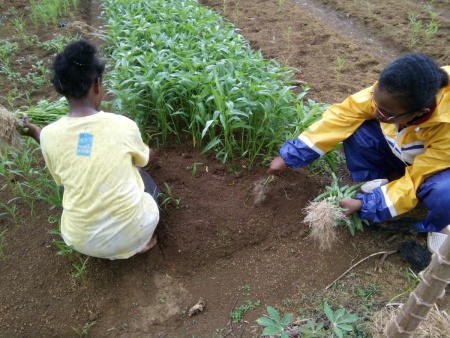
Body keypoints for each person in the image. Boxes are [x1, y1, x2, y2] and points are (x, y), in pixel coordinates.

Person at [267, 53, 450, 244]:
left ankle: (439, 226)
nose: (377, 113)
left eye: (386, 114)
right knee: (357, 128)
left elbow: (419, 176)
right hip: (410, 149)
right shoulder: (396, 91)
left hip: (440, 167)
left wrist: (366, 205)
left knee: (444, 195)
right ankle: (380, 184)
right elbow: (344, 116)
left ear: (421, 113)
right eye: (375, 103)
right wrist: (291, 155)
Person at [23, 39, 160, 260]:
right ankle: (139, 243)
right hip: (133, 234)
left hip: (81, 241)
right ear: (97, 85)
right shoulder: (122, 125)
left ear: (62, 89)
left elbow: (62, 174)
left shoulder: (49, 134)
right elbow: (147, 159)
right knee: (146, 181)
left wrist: (34, 133)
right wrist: (148, 153)